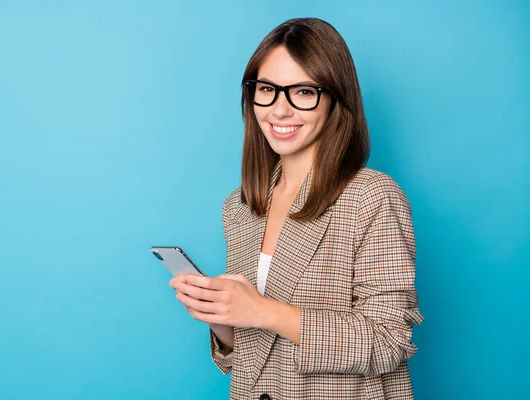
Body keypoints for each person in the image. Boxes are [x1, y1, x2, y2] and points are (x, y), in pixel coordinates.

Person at [169, 17, 423, 400]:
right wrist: (222, 316)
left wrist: (261, 311)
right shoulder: (239, 207)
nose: (280, 110)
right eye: (267, 89)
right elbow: (253, 353)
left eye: (303, 92)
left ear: (336, 99)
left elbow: (389, 341)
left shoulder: (372, 197)